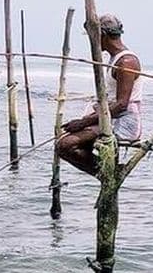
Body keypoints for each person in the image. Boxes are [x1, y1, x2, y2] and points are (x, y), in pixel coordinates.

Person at [55, 14, 144, 176]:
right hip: (107, 118)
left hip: (122, 122)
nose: (91, 41)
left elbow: (121, 104)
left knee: (65, 145)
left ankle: (109, 175)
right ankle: (107, 174)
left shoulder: (126, 62)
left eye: (92, 36)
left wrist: (83, 123)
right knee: (65, 143)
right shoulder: (113, 58)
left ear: (101, 35)